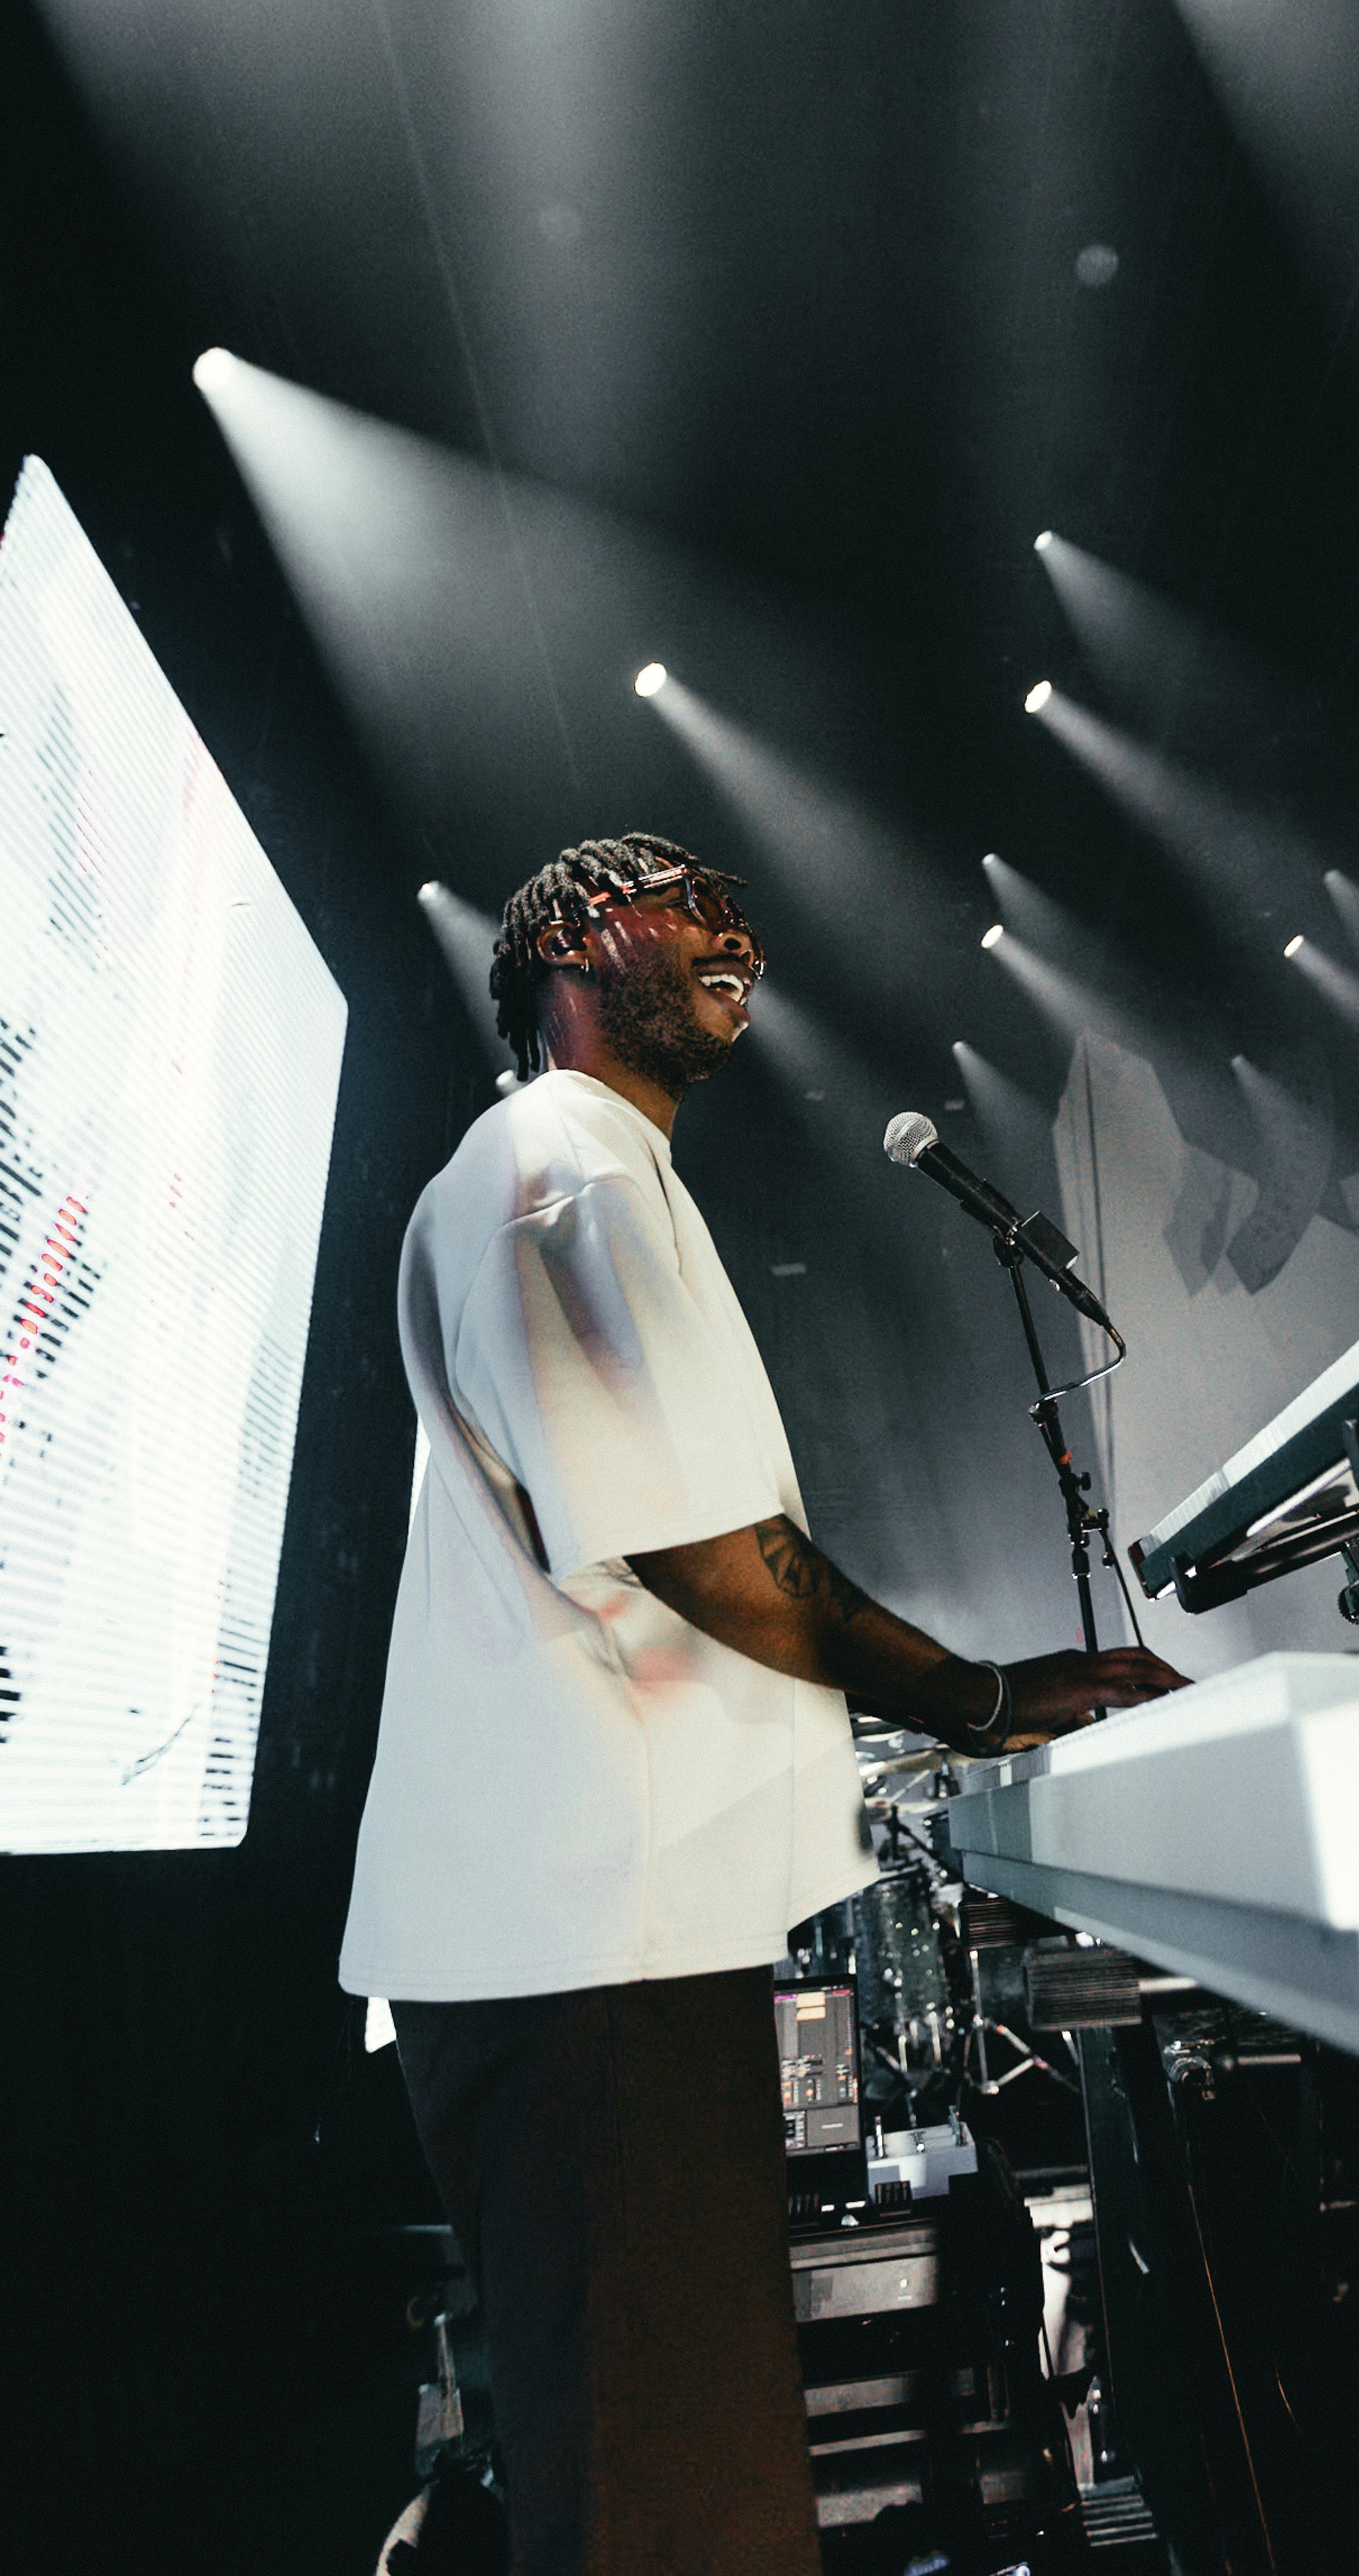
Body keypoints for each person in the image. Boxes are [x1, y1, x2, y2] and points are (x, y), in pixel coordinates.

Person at [338, 830, 1185, 2576]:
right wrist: (978, 1693)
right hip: (586, 1940)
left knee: (674, 2482)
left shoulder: (598, 1167)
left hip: (597, 1938)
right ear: (573, 936)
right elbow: (703, 1550)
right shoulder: (560, 1158)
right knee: (669, 2506)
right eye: (687, 897)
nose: (741, 931)